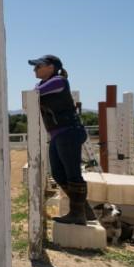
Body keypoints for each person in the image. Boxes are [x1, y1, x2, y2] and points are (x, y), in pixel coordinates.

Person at [29, 54, 92, 225]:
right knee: (57, 173)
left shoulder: (59, 81)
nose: (35, 69)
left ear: (50, 67)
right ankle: (84, 209)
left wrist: (36, 89)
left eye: (38, 66)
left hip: (68, 132)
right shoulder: (47, 83)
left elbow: (34, 93)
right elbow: (35, 91)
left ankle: (78, 214)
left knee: (73, 173)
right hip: (59, 134)